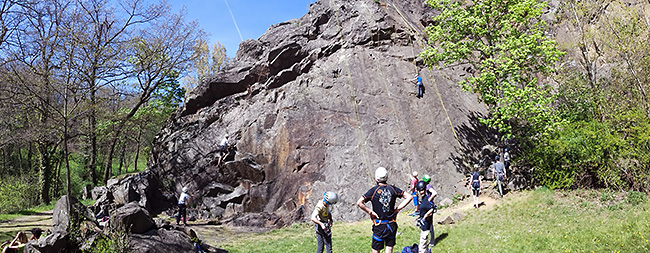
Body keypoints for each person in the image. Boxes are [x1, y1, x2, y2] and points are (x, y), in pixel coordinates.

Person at [356, 167, 412, 253]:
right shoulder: (393, 189)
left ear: (376, 178)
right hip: (391, 224)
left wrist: (370, 212)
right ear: (387, 177)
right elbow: (409, 197)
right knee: (389, 249)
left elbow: (359, 202)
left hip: (379, 226)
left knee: (376, 250)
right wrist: (397, 209)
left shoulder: (373, 191)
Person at [415, 181, 436, 252]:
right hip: (424, 226)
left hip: (425, 225)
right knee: (424, 245)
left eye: (422, 190)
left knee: (422, 247)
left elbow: (432, 209)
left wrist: (424, 218)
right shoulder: (423, 198)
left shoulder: (426, 198)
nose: (421, 192)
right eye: (420, 191)